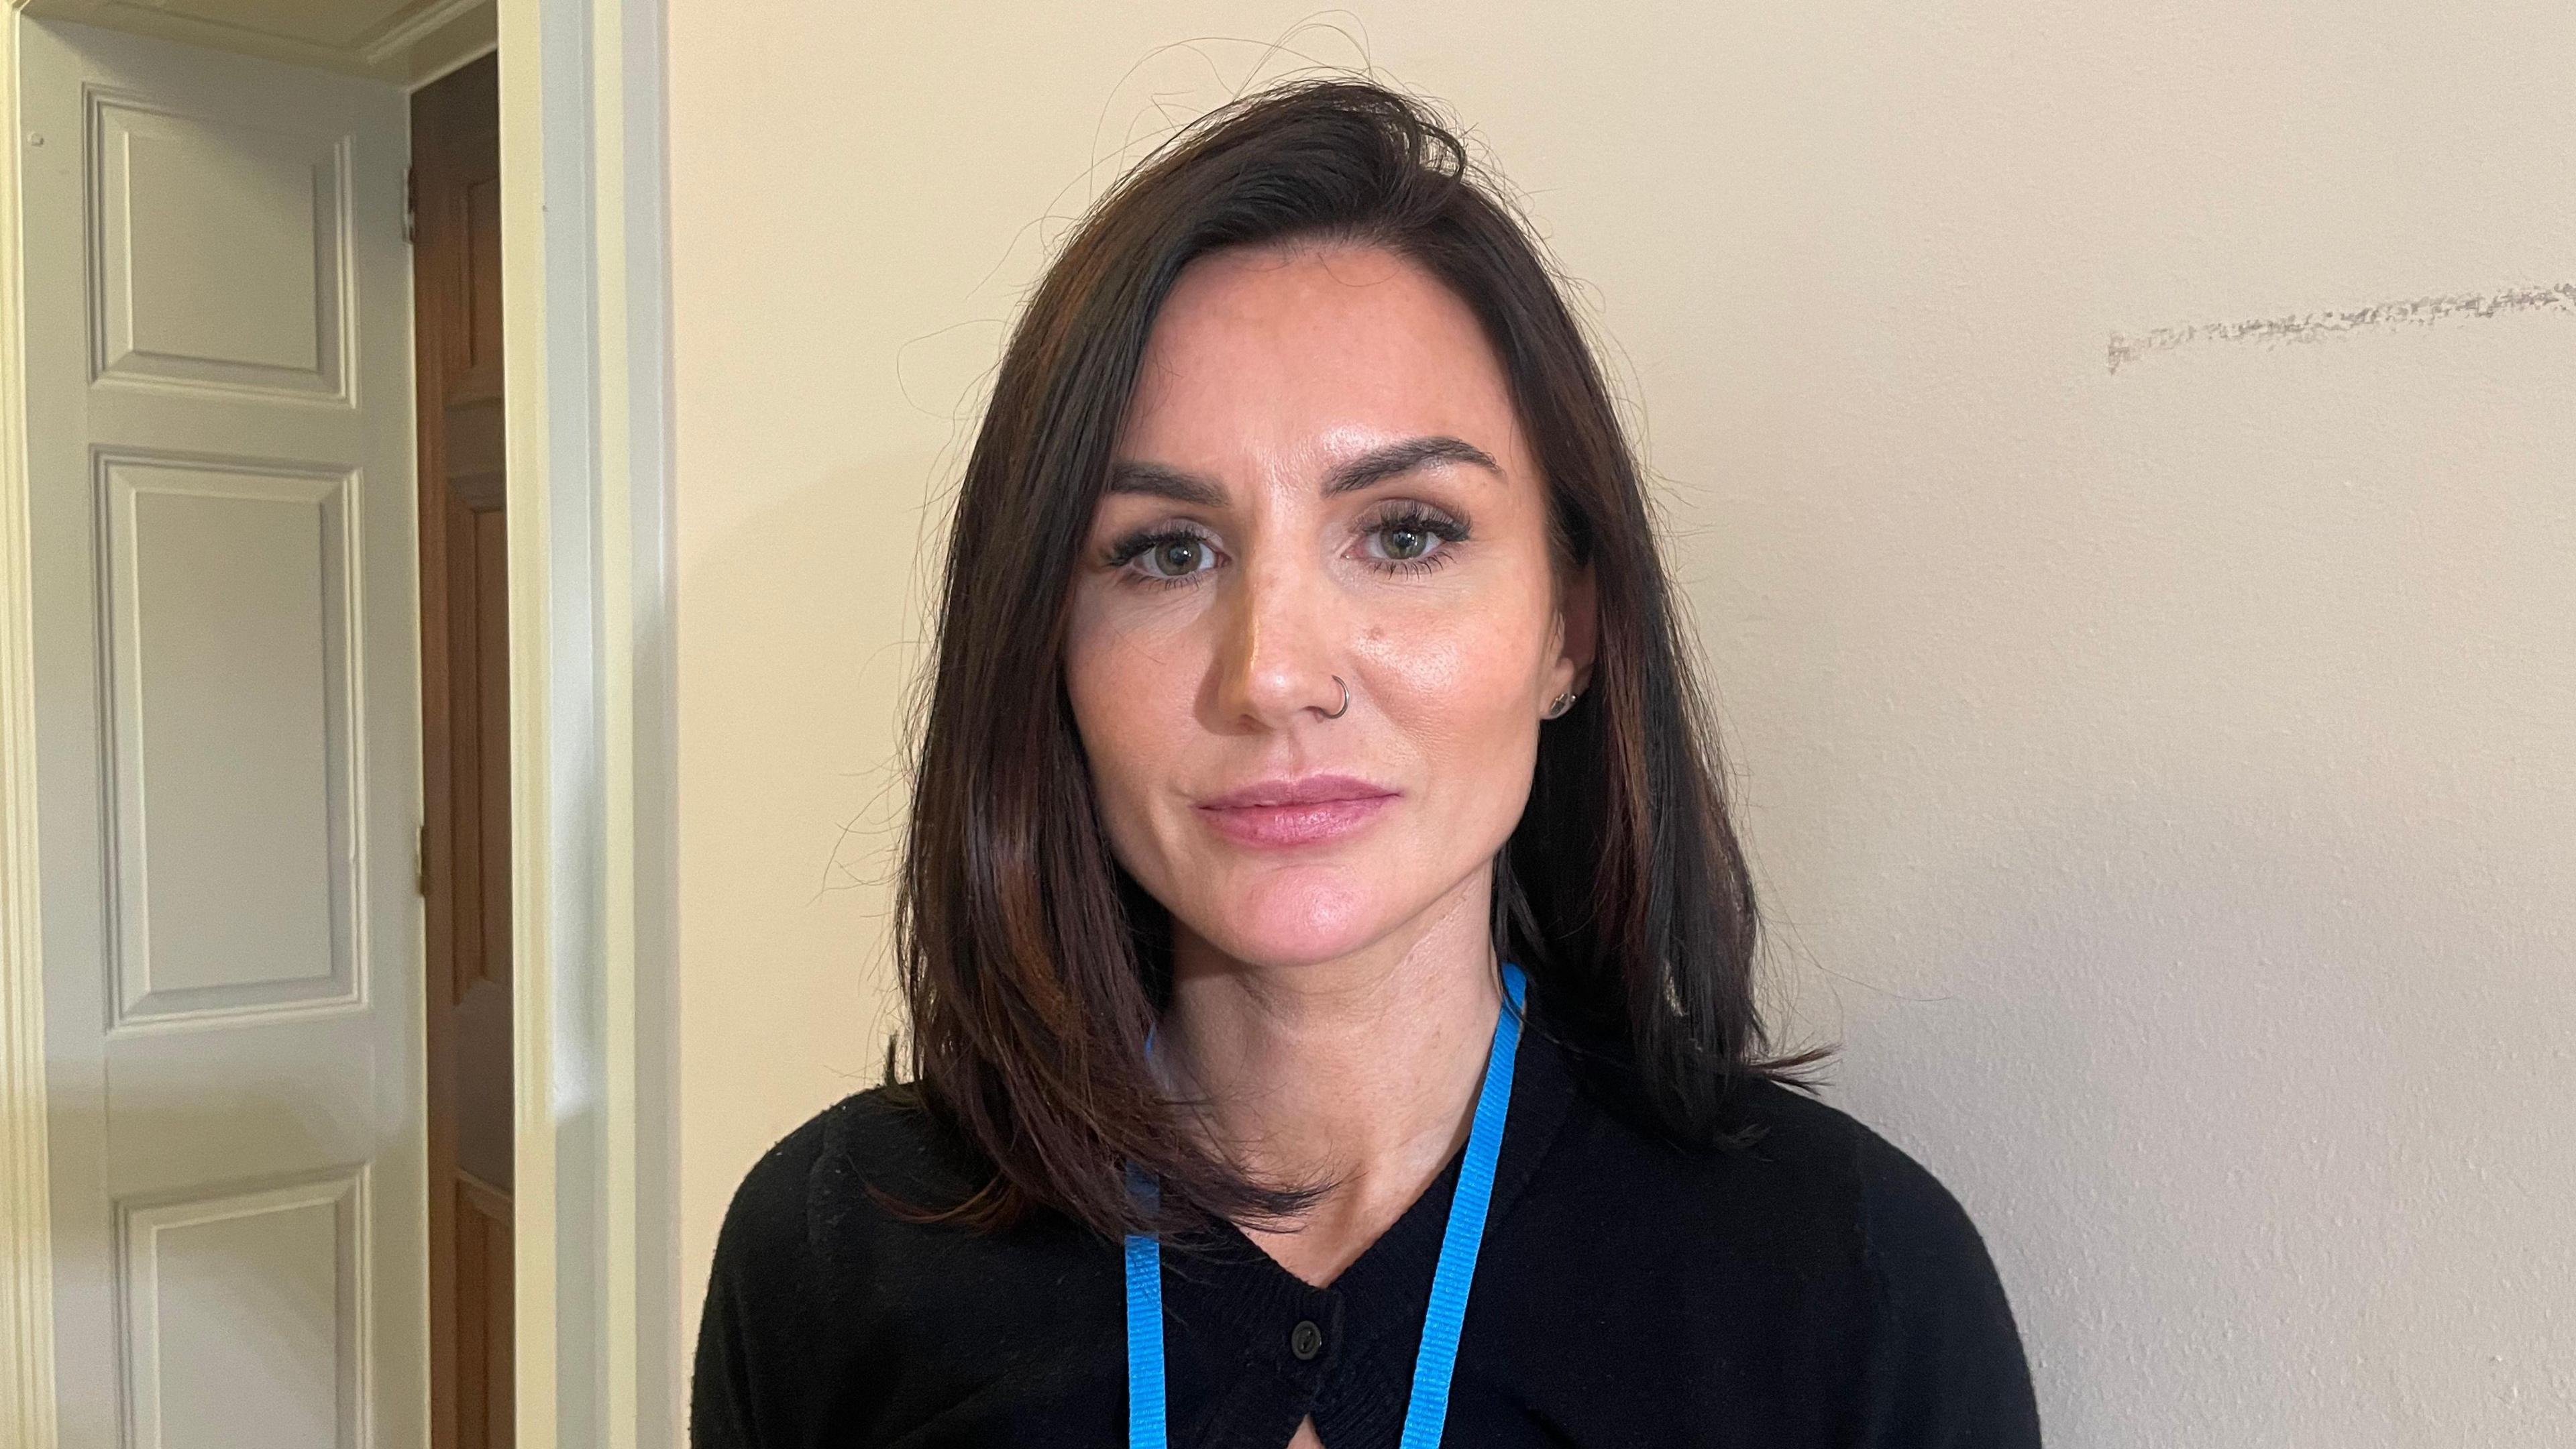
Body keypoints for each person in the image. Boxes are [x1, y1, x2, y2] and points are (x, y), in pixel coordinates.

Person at [690, 77, 2041, 1448]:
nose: (1275, 671)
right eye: (1166, 551)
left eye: (1404, 534)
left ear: (1569, 630)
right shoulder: (835, 1253)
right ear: (1045, 643)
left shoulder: (1849, 1285)